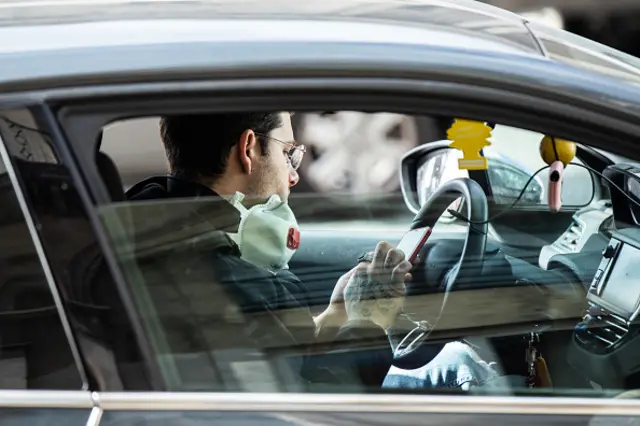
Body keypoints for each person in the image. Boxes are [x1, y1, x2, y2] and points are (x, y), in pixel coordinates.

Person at [125, 111, 502, 391]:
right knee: (465, 370)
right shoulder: (214, 272)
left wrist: (338, 313)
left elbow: (281, 354)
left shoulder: (170, 234)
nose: (295, 175)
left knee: (455, 363)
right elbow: (321, 403)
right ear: (249, 149)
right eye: (289, 154)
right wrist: (371, 320)